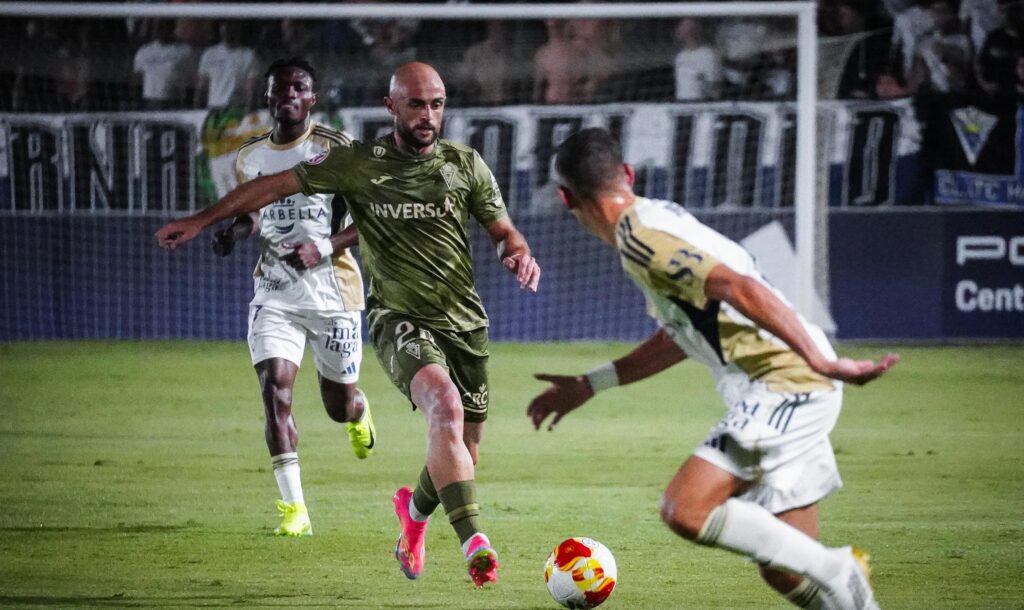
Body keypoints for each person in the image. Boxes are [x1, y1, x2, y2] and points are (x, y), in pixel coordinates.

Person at [155, 62, 541, 587]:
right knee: (442, 408)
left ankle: (415, 514)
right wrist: (202, 221)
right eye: (416, 104)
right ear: (391, 106)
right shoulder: (357, 162)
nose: (428, 115)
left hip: (464, 322)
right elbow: (272, 187)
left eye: (437, 104)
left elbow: (504, 230)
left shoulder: (465, 164)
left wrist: (517, 253)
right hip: (397, 318)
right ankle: (475, 541)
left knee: (462, 455)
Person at [528, 127, 898, 610]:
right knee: (784, 567)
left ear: (565, 198)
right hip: (778, 383)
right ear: (628, 174)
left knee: (685, 509)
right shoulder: (659, 219)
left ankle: (838, 567)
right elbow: (678, 337)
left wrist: (820, 360)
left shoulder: (640, 239)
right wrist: (591, 384)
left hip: (786, 384)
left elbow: (738, 286)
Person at [196, 58, 377, 537]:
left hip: (333, 293)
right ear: (268, 95)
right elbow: (252, 212)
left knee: (338, 404)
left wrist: (325, 245)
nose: (289, 96)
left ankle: (358, 412)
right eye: (280, 89)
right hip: (274, 291)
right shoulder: (249, 155)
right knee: (275, 390)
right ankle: (295, 510)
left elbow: (374, 219)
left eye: (299, 88)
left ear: (313, 98)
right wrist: (234, 232)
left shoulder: (336, 149)